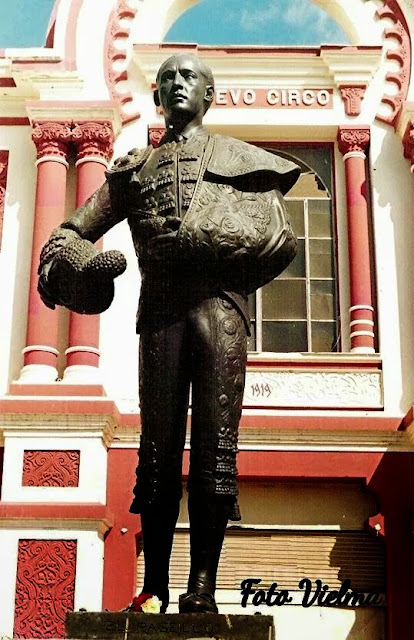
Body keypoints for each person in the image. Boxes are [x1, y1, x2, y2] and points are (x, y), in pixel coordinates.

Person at [38, 53, 300, 614]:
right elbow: (72, 231)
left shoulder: (242, 160)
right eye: (166, 79)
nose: (176, 84)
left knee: (215, 450)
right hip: (159, 315)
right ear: (156, 96)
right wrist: (79, 264)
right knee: (155, 456)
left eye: (189, 77)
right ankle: (154, 585)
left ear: (210, 95)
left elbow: (279, 240)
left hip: (220, 312)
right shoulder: (134, 173)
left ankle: (201, 586)